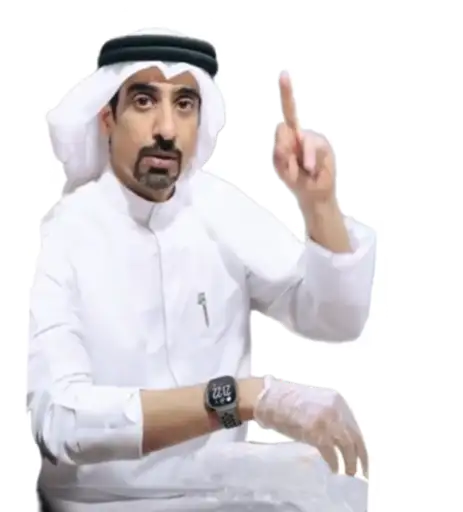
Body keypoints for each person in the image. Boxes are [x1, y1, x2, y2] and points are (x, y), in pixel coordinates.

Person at [27, 28, 376, 512]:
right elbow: (59, 423)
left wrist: (319, 205)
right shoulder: (69, 230)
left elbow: (333, 320)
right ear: (107, 118)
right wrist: (238, 398)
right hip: (104, 499)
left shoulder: (216, 206)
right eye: (144, 101)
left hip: (214, 483)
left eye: (185, 104)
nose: (166, 129)